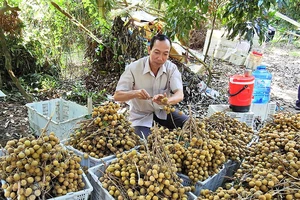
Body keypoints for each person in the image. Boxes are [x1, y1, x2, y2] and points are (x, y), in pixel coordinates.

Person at [113, 34, 188, 139]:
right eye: (156, 52)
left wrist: (167, 101)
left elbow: (179, 94)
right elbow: (117, 96)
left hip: (163, 111)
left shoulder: (171, 68)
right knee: (145, 144)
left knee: (190, 125)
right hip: (141, 116)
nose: (160, 58)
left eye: (165, 54)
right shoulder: (133, 68)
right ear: (149, 50)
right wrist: (135, 93)